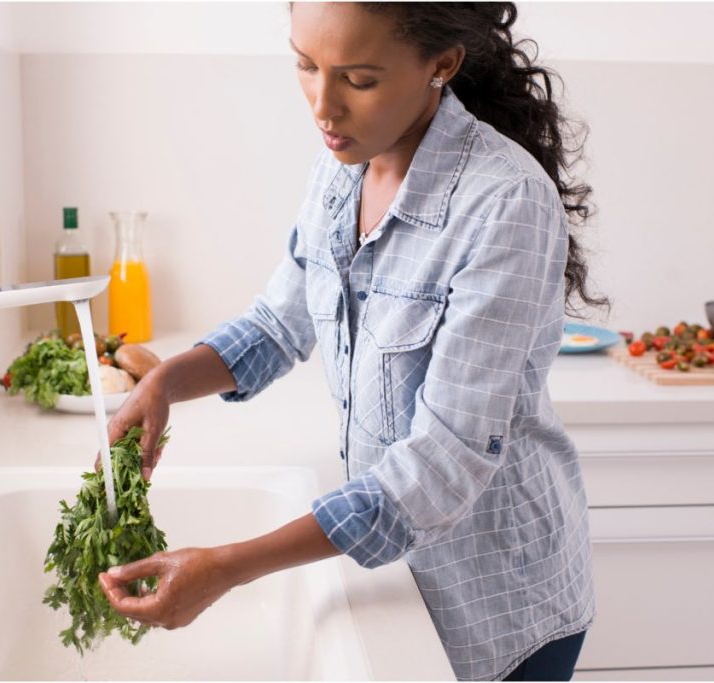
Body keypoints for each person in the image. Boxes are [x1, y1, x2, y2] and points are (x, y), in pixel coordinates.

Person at [96, 3, 607, 680]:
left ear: (441, 64)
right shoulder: (342, 170)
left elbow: (443, 460)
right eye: (305, 66)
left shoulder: (506, 202)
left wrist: (227, 566)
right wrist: (166, 380)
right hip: (399, 578)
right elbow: (277, 324)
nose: (323, 106)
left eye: (358, 79)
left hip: (502, 609)